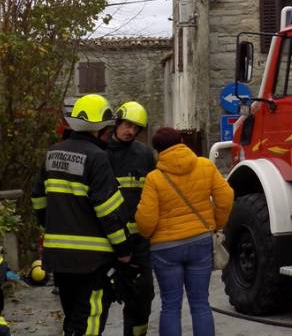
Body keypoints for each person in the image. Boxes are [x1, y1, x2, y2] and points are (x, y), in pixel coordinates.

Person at [31, 94, 131, 336]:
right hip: (93, 262)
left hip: (59, 259)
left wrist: (55, 227)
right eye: (106, 129)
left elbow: (38, 201)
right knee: (90, 322)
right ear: (97, 129)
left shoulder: (52, 153)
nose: (109, 134)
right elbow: (108, 211)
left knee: (73, 320)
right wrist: (124, 249)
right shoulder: (97, 158)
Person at [135, 128, 233, 336]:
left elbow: (145, 221)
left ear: (157, 150)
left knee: (170, 305)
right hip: (200, 242)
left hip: (165, 248)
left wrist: (150, 234)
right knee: (200, 303)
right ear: (181, 141)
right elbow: (226, 197)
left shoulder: (154, 178)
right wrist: (216, 224)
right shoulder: (205, 166)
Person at [107, 101, 156, 336]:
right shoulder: (99, 152)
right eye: (127, 125)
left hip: (138, 242)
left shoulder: (145, 154)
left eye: (136, 128)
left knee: (142, 297)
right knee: (99, 299)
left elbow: (154, 193)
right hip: (106, 242)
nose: (131, 131)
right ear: (116, 123)